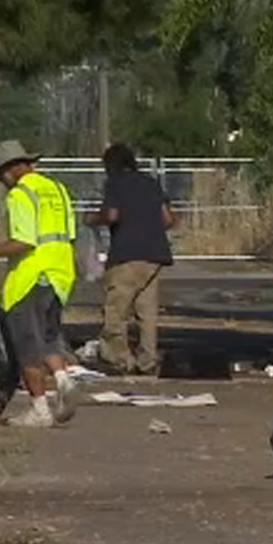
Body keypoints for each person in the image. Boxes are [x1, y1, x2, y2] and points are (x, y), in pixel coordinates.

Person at [0, 140, 79, 428]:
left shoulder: (20, 195)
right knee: (48, 337)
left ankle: (39, 410)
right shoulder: (56, 189)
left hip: (31, 277)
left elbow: (24, 241)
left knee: (26, 345)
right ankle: (64, 381)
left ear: (11, 169)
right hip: (60, 274)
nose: (0, 182)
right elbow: (69, 233)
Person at [85, 143, 176, 375]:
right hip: (156, 255)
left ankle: (118, 359)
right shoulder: (150, 182)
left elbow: (113, 215)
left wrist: (93, 218)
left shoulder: (115, 183)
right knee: (147, 313)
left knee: (116, 310)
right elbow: (168, 219)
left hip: (127, 255)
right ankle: (148, 360)